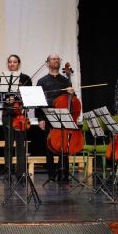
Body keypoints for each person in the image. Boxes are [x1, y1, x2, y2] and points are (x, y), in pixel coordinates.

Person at [35, 54, 74, 182]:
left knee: (64, 146)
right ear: (47, 63)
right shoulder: (41, 81)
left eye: (58, 59)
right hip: (48, 115)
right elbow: (38, 102)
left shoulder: (65, 80)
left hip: (63, 115)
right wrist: (40, 118)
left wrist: (72, 94)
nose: (56, 61)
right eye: (53, 59)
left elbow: (72, 101)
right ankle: (51, 174)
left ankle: (64, 173)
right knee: (50, 146)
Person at [0, 55, 32, 181]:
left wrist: (17, 98)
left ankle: (21, 173)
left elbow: (29, 96)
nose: (12, 64)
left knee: (20, 145)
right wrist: (7, 98)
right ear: (8, 64)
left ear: (18, 63)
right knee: (8, 144)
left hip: (20, 115)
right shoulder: (2, 78)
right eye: (10, 62)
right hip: (7, 114)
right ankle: (8, 172)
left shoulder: (25, 78)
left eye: (15, 62)